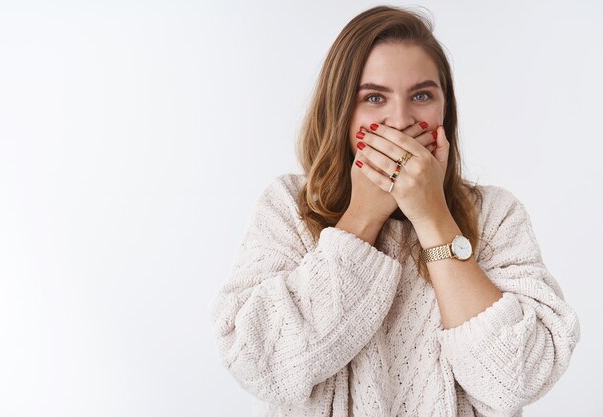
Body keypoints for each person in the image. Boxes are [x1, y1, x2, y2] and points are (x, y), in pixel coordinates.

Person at [208, 5, 580, 417]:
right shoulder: (290, 207)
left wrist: (434, 219)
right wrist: (362, 218)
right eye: (374, 97)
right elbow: (260, 365)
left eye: (421, 95)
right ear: (342, 110)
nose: (400, 120)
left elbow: (518, 381)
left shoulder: (495, 215)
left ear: (444, 109)